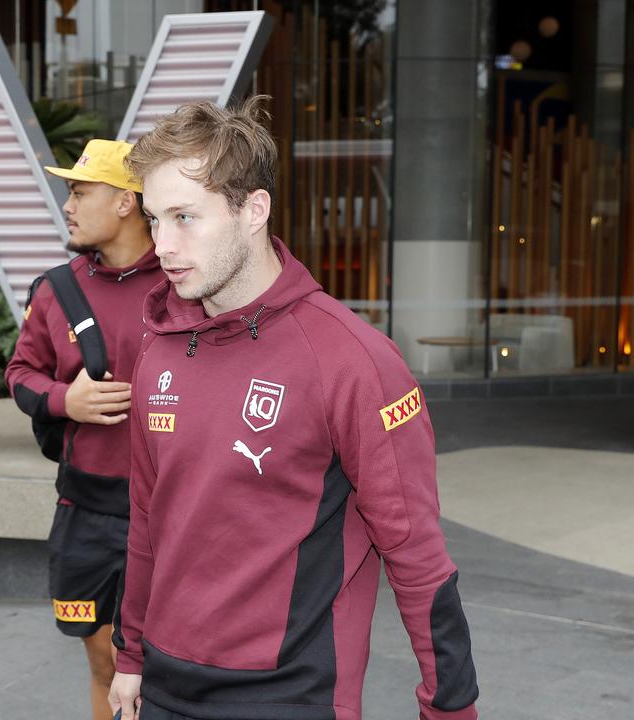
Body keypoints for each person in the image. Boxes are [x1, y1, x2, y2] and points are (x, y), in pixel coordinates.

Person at [108, 98, 479, 720]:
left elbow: (416, 553)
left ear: (254, 209)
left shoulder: (353, 359)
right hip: (166, 687)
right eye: (153, 220)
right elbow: (148, 518)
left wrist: (450, 708)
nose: (162, 246)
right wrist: (130, 656)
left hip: (291, 696)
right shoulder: (161, 346)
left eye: (184, 217)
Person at [4, 139, 159, 720]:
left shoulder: (183, 284)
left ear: (126, 201)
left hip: (170, 512)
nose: (67, 204)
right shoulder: (55, 289)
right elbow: (20, 374)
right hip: (84, 509)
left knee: (165, 668)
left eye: (79, 190)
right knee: (105, 663)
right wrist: (68, 399)